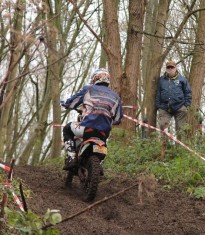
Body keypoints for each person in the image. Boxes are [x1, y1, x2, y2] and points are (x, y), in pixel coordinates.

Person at [60, 68, 123, 170]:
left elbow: (72, 102)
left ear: (95, 78)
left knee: (67, 129)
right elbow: (118, 119)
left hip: (87, 128)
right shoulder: (116, 96)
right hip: (103, 133)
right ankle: (100, 163)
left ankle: (71, 157)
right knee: (105, 142)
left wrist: (65, 103)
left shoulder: (88, 89)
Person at [156, 61, 192, 136]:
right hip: (164, 108)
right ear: (166, 69)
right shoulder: (161, 80)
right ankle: (164, 146)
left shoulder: (182, 79)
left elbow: (188, 92)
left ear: (175, 68)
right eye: (168, 67)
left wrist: (186, 105)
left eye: (172, 67)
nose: (170, 69)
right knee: (163, 126)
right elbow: (158, 93)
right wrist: (158, 106)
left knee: (180, 130)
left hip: (180, 108)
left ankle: (179, 147)